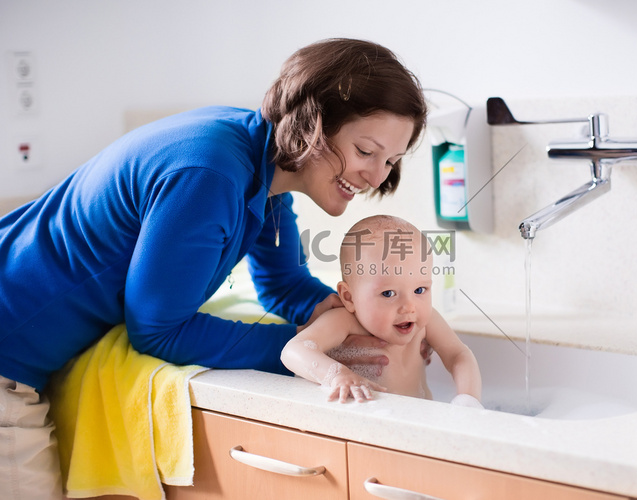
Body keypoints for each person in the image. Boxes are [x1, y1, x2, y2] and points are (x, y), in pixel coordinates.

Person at [0, 38, 427, 499]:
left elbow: (283, 285)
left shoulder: (263, 166)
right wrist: (318, 354)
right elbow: (158, 330)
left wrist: (352, 319)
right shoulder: (211, 174)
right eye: (366, 150)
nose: (377, 176)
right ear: (312, 125)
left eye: (391, 161)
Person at [281, 215, 483, 407]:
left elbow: (458, 355)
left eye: (419, 290)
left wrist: (468, 402)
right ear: (349, 297)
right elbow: (293, 351)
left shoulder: (427, 320)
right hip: (367, 427)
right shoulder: (344, 322)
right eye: (388, 293)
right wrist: (337, 374)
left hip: (421, 423)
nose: (409, 307)